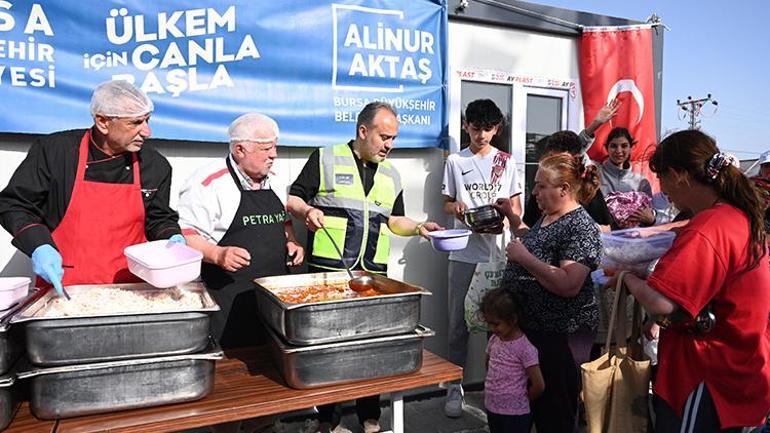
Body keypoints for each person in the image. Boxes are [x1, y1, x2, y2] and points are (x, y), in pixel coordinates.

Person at [287, 101, 442, 433]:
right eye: (384, 137)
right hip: (327, 276)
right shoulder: (325, 157)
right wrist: (306, 213)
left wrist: (418, 228)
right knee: (329, 351)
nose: (389, 145)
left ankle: (371, 421)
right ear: (362, 131)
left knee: (372, 352)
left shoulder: (391, 174)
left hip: (372, 278)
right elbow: (293, 198)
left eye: (394, 138)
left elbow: (394, 220)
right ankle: (327, 421)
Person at [610, 130, 770, 432]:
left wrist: (626, 277)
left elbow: (662, 303)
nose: (665, 190)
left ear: (679, 174)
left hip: (708, 375)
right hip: (742, 369)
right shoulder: (736, 216)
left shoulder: (709, 227)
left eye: (663, 179)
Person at [0, 80, 183, 294]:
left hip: (133, 289)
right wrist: (39, 246)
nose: (147, 131)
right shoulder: (55, 152)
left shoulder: (154, 165)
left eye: (147, 121)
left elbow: (158, 218)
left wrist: (171, 237)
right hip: (66, 288)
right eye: (136, 123)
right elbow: (13, 204)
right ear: (103, 122)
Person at [496, 152, 602, 433]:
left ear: (564, 189)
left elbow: (568, 284)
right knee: (532, 407)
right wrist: (512, 218)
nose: (534, 192)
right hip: (535, 333)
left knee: (555, 413)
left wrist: (524, 259)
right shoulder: (549, 218)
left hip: (560, 336)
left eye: (541, 185)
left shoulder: (580, 227)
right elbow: (537, 243)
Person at [178, 113, 303, 349]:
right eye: (266, 149)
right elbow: (185, 236)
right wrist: (218, 254)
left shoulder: (274, 179)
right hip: (228, 300)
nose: (274, 155)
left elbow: (283, 218)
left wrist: (292, 240)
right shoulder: (207, 184)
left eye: (274, 147)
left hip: (273, 300)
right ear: (239, 150)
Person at [440, 99, 523, 418]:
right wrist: (457, 208)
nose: (482, 135)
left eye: (488, 129)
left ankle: (496, 387)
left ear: (497, 129)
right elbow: (447, 203)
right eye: (476, 129)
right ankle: (453, 388)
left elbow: (517, 207)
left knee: (498, 324)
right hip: (463, 253)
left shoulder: (507, 161)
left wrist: (508, 213)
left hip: (498, 253)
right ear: (466, 127)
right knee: (458, 324)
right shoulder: (455, 162)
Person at [522, 131, 615, 231]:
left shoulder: (587, 187)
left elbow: (607, 228)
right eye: (552, 159)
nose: (555, 165)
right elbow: (528, 226)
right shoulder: (541, 188)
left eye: (561, 161)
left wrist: (581, 231)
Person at [481, 287, 544, 433]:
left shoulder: (525, 348)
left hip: (515, 414)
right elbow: (488, 363)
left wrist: (522, 400)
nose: (492, 328)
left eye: (496, 324)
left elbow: (539, 385)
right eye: (489, 323)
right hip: (492, 407)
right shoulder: (494, 340)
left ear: (513, 319)